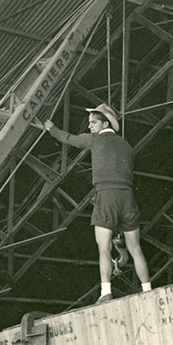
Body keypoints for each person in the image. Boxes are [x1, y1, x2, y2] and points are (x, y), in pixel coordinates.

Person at [43, 103, 152, 303]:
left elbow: (69, 139)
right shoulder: (126, 145)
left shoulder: (94, 140)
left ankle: (105, 292)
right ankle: (148, 290)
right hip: (127, 197)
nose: (90, 127)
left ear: (104, 124)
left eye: (93, 123)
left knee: (103, 248)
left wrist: (52, 128)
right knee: (136, 248)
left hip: (106, 195)